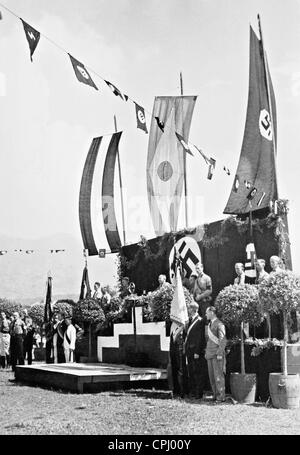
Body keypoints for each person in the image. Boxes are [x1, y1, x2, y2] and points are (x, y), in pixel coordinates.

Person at [184, 301, 206, 399]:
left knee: (198, 372)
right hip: (189, 349)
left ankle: (199, 393)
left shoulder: (200, 321)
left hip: (196, 351)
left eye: (189, 308)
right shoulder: (190, 320)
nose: (188, 310)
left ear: (194, 309)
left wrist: (197, 351)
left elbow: (200, 338)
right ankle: (192, 391)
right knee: (191, 372)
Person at [205, 306, 227, 402]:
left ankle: (221, 396)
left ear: (212, 313)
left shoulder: (219, 324)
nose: (206, 314)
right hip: (209, 353)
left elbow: (223, 340)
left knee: (218, 376)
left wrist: (219, 353)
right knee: (212, 377)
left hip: (217, 354)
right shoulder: (210, 324)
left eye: (207, 312)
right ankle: (215, 394)